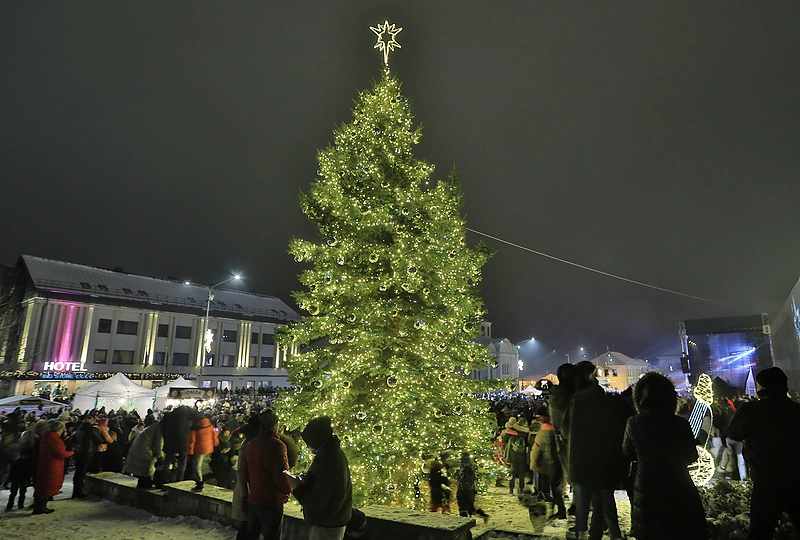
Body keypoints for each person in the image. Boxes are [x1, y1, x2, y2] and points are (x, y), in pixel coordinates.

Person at [622, 372, 707, 540]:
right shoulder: (680, 423)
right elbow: (691, 456)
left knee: (650, 530)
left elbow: (628, 453)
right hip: (679, 484)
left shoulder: (634, 422)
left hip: (647, 485)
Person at [727, 367, 800, 539]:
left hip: (766, 481)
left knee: (760, 532)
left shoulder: (751, 410)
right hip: (796, 479)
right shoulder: (796, 410)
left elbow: (733, 434)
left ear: (762, 387)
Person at [564, 361, 633, 540]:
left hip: (580, 463)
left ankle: (582, 534)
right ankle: (614, 535)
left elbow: (564, 430)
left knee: (582, 504)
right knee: (607, 504)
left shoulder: (576, 400)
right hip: (604, 463)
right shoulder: (610, 403)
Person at [288, 416, 353, 540]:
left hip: (327, 522)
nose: (308, 447)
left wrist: (297, 488)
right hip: (330, 519)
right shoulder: (328, 454)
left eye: (308, 443)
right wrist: (306, 481)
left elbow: (317, 502)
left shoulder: (329, 461)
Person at [241, 409, 293, 540]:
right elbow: (281, 475)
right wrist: (289, 489)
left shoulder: (251, 444)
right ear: (275, 425)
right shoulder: (277, 445)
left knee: (252, 535)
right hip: (271, 501)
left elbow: (244, 473)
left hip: (254, 499)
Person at [530, 405, 566, 520]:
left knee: (555, 488)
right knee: (555, 487)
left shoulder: (545, 430)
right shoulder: (555, 426)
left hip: (552, 464)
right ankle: (557, 509)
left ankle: (560, 510)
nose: (538, 419)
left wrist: (533, 463)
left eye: (539, 416)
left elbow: (538, 447)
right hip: (557, 463)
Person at [32, 420, 73, 514]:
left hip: (46, 464)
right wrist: (71, 452)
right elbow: (61, 453)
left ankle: (39, 506)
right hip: (52, 465)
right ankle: (41, 507)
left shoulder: (46, 437)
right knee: (46, 486)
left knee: (43, 487)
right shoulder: (54, 439)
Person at [71, 414, 104, 499]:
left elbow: (73, 440)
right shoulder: (92, 429)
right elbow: (99, 439)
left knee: (78, 472)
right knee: (82, 472)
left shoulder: (79, 429)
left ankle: (75, 491)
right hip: (86, 452)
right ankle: (79, 491)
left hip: (78, 452)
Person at [124, 419, 164, 489]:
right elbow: (159, 444)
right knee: (146, 473)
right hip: (143, 451)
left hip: (139, 448)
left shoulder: (155, 426)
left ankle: (141, 490)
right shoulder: (161, 428)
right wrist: (161, 457)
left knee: (143, 476)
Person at [453, 451, 489, 522]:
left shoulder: (462, 468)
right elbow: (474, 478)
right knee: (470, 506)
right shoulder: (471, 468)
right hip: (470, 489)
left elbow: (457, 477)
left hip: (462, 489)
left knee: (462, 506)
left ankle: (464, 521)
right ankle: (482, 515)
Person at [187, 414, 219, 492]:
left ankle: (199, 483)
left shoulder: (194, 428)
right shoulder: (210, 426)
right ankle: (208, 479)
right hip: (209, 448)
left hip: (199, 449)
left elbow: (191, 441)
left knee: (196, 466)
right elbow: (215, 437)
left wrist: (190, 452)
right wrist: (215, 444)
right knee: (204, 464)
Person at [6, 447, 34, 512]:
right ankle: (11, 506)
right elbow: (12, 471)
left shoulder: (24, 462)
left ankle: (18, 505)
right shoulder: (20, 462)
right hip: (17, 479)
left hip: (21, 479)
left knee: (21, 493)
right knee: (14, 493)